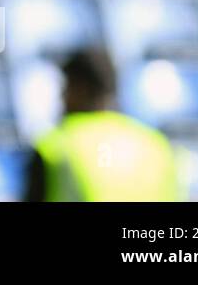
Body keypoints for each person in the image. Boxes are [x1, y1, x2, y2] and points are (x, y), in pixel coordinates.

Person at [23, 48, 185, 201]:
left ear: (81, 89)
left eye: (66, 89)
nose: (61, 98)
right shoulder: (158, 146)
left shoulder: (56, 146)